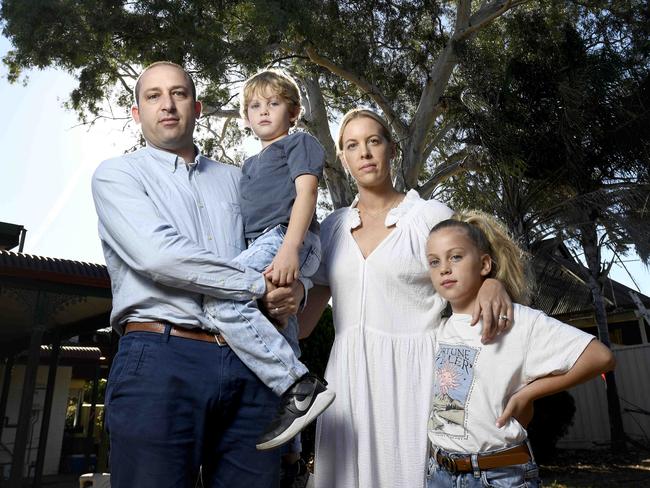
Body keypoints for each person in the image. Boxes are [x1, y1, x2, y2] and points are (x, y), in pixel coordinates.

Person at [91, 61, 304, 488]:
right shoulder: (118, 174)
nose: (167, 105)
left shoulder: (238, 179)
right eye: (153, 96)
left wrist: (293, 286)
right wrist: (260, 285)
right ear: (137, 113)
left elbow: (277, 241)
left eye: (179, 94)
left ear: (198, 106)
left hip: (251, 361)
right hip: (160, 357)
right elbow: (160, 258)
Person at [298, 108, 514, 488]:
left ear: (391, 149)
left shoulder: (427, 216)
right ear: (344, 160)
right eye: (352, 146)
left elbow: (473, 270)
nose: (364, 152)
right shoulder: (332, 229)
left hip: (421, 375)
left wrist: (493, 284)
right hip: (348, 379)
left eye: (373, 141)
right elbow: (302, 324)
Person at [425, 211, 616, 487]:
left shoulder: (520, 321)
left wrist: (528, 393)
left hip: (501, 475)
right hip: (439, 473)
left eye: (455, 257)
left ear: (484, 264)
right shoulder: (436, 329)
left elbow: (601, 357)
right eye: (434, 261)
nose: (444, 268)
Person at [203, 69, 335, 451]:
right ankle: (291, 448)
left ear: (292, 112)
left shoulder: (299, 144)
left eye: (273, 104)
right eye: (255, 106)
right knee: (279, 329)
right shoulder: (247, 166)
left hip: (285, 237)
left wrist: (290, 248)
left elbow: (307, 194)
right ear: (245, 117)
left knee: (218, 296)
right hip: (261, 242)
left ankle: (299, 384)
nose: (263, 112)